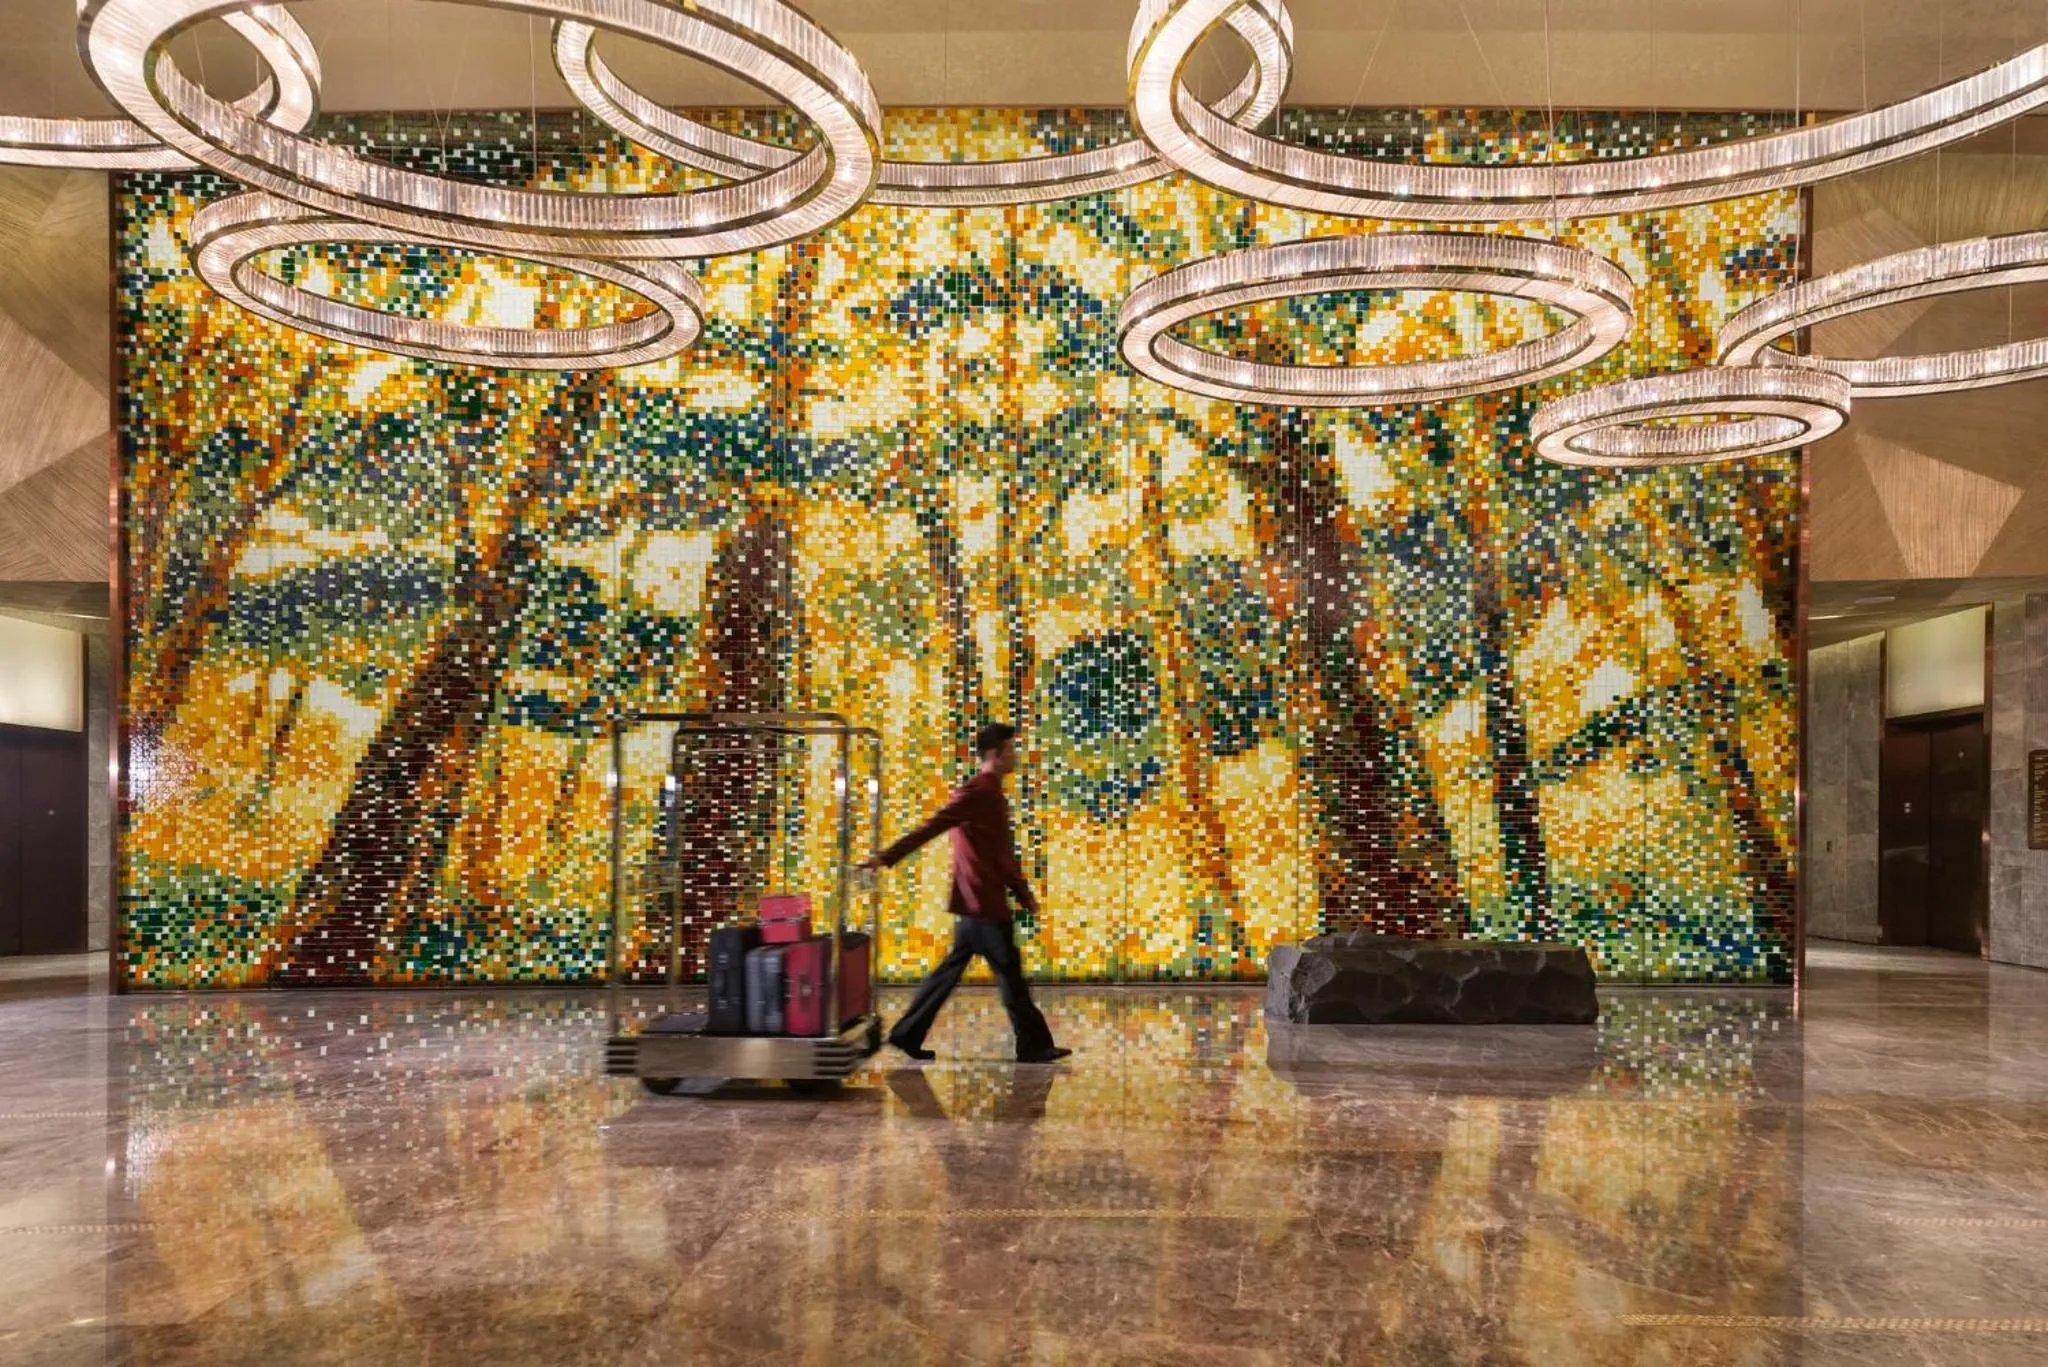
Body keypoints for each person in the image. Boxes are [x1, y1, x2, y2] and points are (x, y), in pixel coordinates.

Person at [857, 722, 1071, 1064]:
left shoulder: (992, 793)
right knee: (1010, 976)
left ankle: (907, 1034)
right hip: (983, 905)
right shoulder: (978, 792)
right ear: (994, 754)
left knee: (954, 972)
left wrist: (1022, 892)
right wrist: (887, 856)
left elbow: (1000, 853)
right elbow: (934, 825)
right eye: (1011, 750)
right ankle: (1033, 1045)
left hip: (976, 904)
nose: (1016, 755)